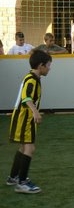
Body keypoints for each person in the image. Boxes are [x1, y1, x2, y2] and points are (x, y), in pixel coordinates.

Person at [6, 49, 52, 194]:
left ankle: (13, 177)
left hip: (23, 118)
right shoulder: (32, 80)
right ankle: (22, 183)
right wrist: (35, 112)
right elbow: (26, 98)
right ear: (41, 66)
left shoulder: (31, 77)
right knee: (30, 149)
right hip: (25, 119)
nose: (49, 68)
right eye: (48, 65)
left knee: (23, 148)